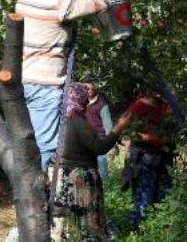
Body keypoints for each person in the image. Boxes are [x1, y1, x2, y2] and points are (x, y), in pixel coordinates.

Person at [16, 0, 110, 169]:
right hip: (46, 84)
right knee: (47, 144)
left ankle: (38, 189)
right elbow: (103, 4)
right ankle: (41, 194)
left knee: (33, 138)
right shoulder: (61, 3)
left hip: (26, 79)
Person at [50, 82, 132, 241]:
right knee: (85, 221)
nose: (87, 103)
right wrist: (119, 127)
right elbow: (99, 147)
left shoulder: (57, 119)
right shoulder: (76, 121)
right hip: (78, 177)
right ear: (80, 100)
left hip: (59, 174)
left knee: (65, 218)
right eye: (85, 100)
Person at [121, 86, 176, 230]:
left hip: (162, 156)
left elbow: (173, 127)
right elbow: (126, 130)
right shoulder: (139, 106)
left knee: (164, 193)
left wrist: (166, 140)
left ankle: (160, 228)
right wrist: (152, 138)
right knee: (144, 195)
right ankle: (139, 229)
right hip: (143, 157)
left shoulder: (165, 106)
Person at [84, 82, 113, 180]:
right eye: (85, 89)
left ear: (95, 89)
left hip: (100, 139)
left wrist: (111, 144)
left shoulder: (102, 105)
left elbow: (108, 125)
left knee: (101, 164)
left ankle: (105, 183)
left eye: (89, 89)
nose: (87, 91)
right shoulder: (84, 104)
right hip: (88, 139)